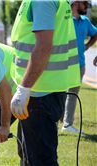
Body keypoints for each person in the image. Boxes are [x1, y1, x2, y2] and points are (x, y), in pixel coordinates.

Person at [10, 1, 81, 166]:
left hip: (39, 92)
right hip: (43, 90)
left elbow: (43, 46)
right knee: (31, 157)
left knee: (41, 161)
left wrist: (24, 88)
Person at [61, 0, 97, 134]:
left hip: (80, 64)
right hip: (63, 64)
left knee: (72, 95)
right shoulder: (64, 20)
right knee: (59, 93)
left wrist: (87, 46)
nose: (87, 6)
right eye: (85, 3)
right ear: (75, 3)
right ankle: (54, 121)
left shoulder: (85, 21)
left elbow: (95, 33)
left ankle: (67, 125)